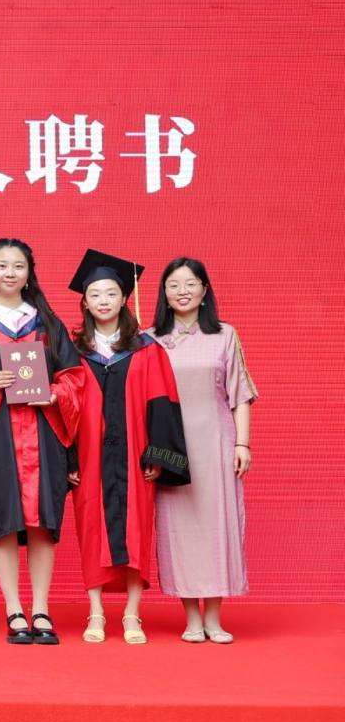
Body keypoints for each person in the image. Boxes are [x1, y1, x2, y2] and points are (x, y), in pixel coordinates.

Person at [0, 239, 85, 645]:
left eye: (18, 266)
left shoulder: (47, 323)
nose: (10, 273)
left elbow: (74, 377)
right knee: (4, 520)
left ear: (29, 273)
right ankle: (14, 609)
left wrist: (54, 395)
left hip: (44, 433)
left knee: (44, 521)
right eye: (2, 265)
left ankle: (41, 608)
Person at [67, 249, 190, 645]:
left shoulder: (146, 349)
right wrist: (68, 458)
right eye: (95, 294)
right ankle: (96, 611)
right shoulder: (71, 350)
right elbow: (63, 407)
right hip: (89, 456)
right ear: (85, 302)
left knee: (137, 528)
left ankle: (133, 614)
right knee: (91, 528)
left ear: (124, 298)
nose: (103, 300)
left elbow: (162, 402)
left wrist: (158, 455)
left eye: (111, 293)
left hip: (135, 455)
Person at [149, 257, 256, 644]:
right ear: (164, 293)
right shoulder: (150, 339)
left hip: (215, 443)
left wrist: (242, 443)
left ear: (204, 290)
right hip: (171, 448)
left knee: (217, 525)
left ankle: (214, 617)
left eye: (190, 284)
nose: (182, 291)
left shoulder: (225, 335)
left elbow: (240, 395)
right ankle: (191, 618)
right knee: (179, 529)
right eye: (174, 285)